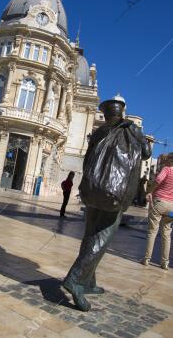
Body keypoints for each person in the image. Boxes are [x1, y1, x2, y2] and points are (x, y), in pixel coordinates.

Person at [63, 96, 151, 311]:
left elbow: (88, 159)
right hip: (114, 192)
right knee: (102, 239)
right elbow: (147, 153)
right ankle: (75, 279)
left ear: (105, 113)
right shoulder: (130, 128)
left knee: (90, 234)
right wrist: (142, 138)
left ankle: (88, 282)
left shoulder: (99, 131)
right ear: (121, 112)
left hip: (93, 190)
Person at [142, 164, 173, 270]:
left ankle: (146, 259)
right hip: (171, 206)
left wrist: (150, 191)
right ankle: (165, 262)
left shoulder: (167, 169)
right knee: (166, 234)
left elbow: (158, 180)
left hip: (159, 202)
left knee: (152, 231)